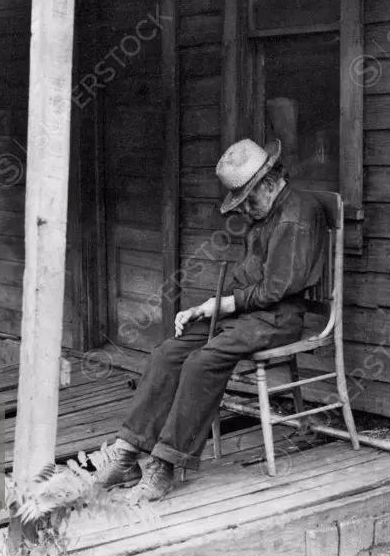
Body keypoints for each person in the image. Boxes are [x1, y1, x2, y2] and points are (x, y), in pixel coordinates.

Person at [92, 137, 328, 501]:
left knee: (202, 363)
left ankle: (164, 464)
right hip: (249, 314)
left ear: (269, 182)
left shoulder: (296, 215)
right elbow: (251, 279)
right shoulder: (266, 213)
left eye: (249, 198)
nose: (246, 209)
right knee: (167, 353)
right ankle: (127, 452)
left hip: (278, 319)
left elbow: (275, 290)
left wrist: (219, 307)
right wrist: (207, 306)